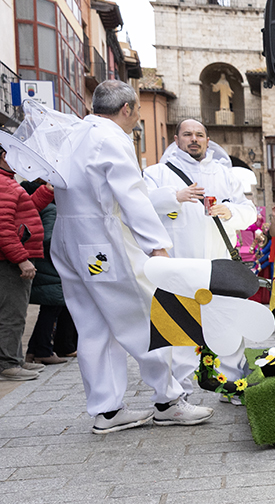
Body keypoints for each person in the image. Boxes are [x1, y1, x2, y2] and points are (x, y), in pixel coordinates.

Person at [48, 80, 212, 432]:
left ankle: (107, 409)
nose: (138, 118)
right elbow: (131, 195)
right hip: (102, 242)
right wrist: (157, 245)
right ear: (126, 110)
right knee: (145, 315)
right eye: (137, 111)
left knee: (93, 327)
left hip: (68, 237)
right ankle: (168, 399)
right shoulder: (111, 139)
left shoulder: (74, 133)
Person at [143, 119, 258, 401]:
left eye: (199, 135)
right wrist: (175, 197)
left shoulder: (224, 173)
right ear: (176, 138)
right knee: (181, 327)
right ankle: (180, 393)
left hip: (219, 262)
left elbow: (250, 212)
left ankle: (231, 384)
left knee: (225, 321)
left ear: (207, 140)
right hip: (181, 263)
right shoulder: (157, 173)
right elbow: (139, 206)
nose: (194, 139)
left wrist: (229, 211)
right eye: (187, 134)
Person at [0, 146, 52, 381]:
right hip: (10, 262)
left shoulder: (8, 181)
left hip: (11, 259)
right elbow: (4, 230)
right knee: (12, 314)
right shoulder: (3, 184)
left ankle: (14, 360)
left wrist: (46, 191)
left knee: (14, 312)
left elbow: (26, 212)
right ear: (4, 157)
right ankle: (8, 364)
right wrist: (22, 260)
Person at [20, 179, 70, 366]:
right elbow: (49, 238)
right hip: (50, 267)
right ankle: (43, 351)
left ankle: (34, 352)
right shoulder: (50, 209)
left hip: (43, 265)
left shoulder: (42, 208)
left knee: (48, 309)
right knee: (51, 309)